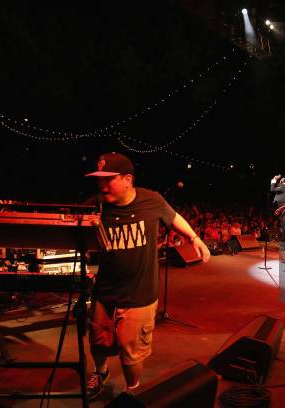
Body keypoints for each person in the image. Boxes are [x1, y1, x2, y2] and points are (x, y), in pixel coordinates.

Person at [84, 152, 210, 399]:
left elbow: (174, 218)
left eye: (108, 179)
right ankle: (101, 373)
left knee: (131, 353)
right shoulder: (95, 205)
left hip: (139, 294)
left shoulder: (152, 200)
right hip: (104, 292)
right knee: (98, 341)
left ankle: (132, 391)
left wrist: (194, 238)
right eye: (99, 180)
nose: (102, 185)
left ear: (128, 179)